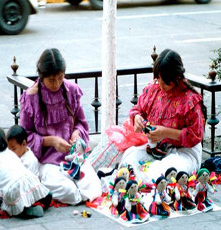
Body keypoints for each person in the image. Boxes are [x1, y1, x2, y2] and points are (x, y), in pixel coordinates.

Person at [88, 49, 206, 182]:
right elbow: (137, 110)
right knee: (129, 159)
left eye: (166, 81)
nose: (160, 84)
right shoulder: (154, 90)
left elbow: (195, 135)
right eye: (158, 78)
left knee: (166, 171)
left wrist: (166, 132)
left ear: (177, 77)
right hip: (156, 147)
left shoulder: (190, 100)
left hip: (184, 151)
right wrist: (137, 118)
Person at [20, 48, 101, 204]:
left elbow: (81, 123)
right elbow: (24, 137)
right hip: (46, 160)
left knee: (93, 188)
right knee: (69, 192)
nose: (56, 83)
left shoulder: (72, 90)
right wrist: (51, 141)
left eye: (60, 78)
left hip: (72, 157)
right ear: (42, 77)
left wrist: (76, 133)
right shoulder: (30, 98)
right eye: (51, 80)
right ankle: (41, 183)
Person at [0, 126, 52, 218]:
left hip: (14, 189)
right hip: (30, 180)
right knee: (25, 194)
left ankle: (29, 211)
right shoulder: (10, 153)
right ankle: (43, 196)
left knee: (11, 206)